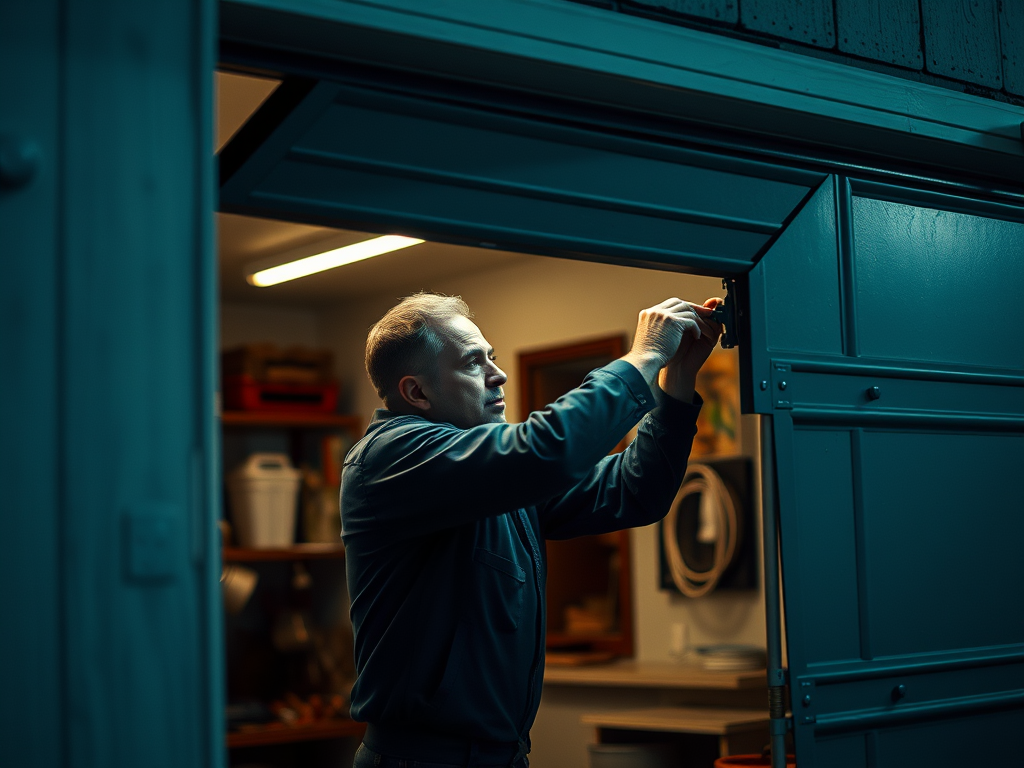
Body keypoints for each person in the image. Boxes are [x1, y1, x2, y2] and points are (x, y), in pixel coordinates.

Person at [342, 293, 722, 768]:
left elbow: (636, 490)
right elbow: (547, 449)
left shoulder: (495, 480)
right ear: (417, 393)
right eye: (471, 362)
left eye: (492, 357)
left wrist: (677, 377)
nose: (496, 374)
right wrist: (642, 355)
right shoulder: (390, 457)